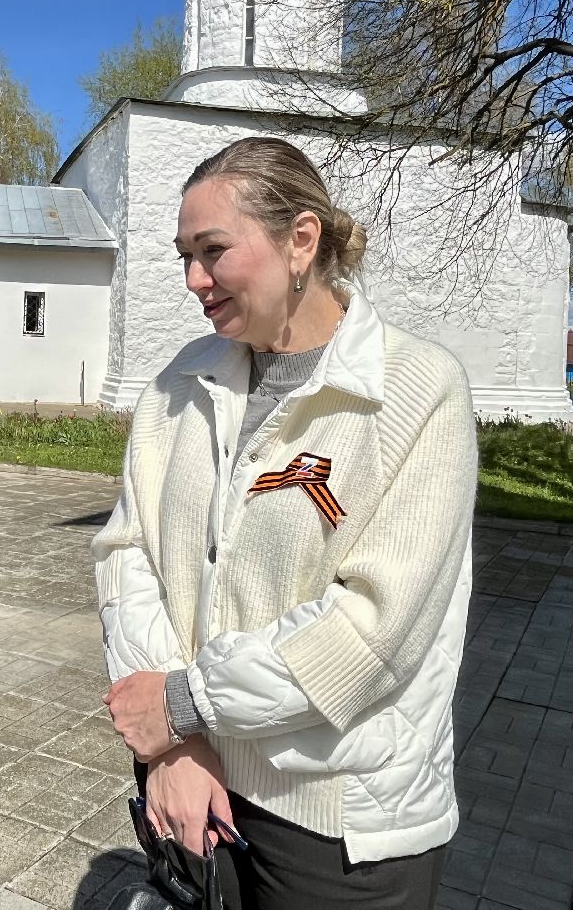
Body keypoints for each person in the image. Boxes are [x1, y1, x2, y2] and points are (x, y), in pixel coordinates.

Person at [96, 136, 475, 910]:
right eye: (185, 256)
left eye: (213, 251)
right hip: (196, 782)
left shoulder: (417, 392)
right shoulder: (179, 385)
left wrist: (182, 704)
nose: (194, 280)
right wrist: (177, 743)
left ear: (301, 240)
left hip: (338, 822)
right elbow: (130, 554)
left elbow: (373, 630)